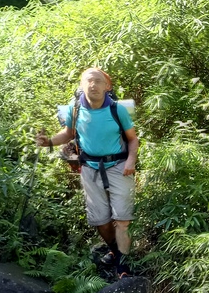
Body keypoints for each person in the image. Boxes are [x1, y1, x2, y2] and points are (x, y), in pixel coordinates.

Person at [36, 67, 139, 278]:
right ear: (82, 86)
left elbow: (132, 139)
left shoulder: (117, 109)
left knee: (122, 218)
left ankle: (123, 264)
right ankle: (115, 249)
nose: (93, 85)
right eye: (88, 81)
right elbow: (68, 133)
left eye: (98, 81)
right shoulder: (75, 110)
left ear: (107, 86)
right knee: (100, 220)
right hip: (90, 167)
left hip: (119, 166)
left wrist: (131, 160)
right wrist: (49, 142)